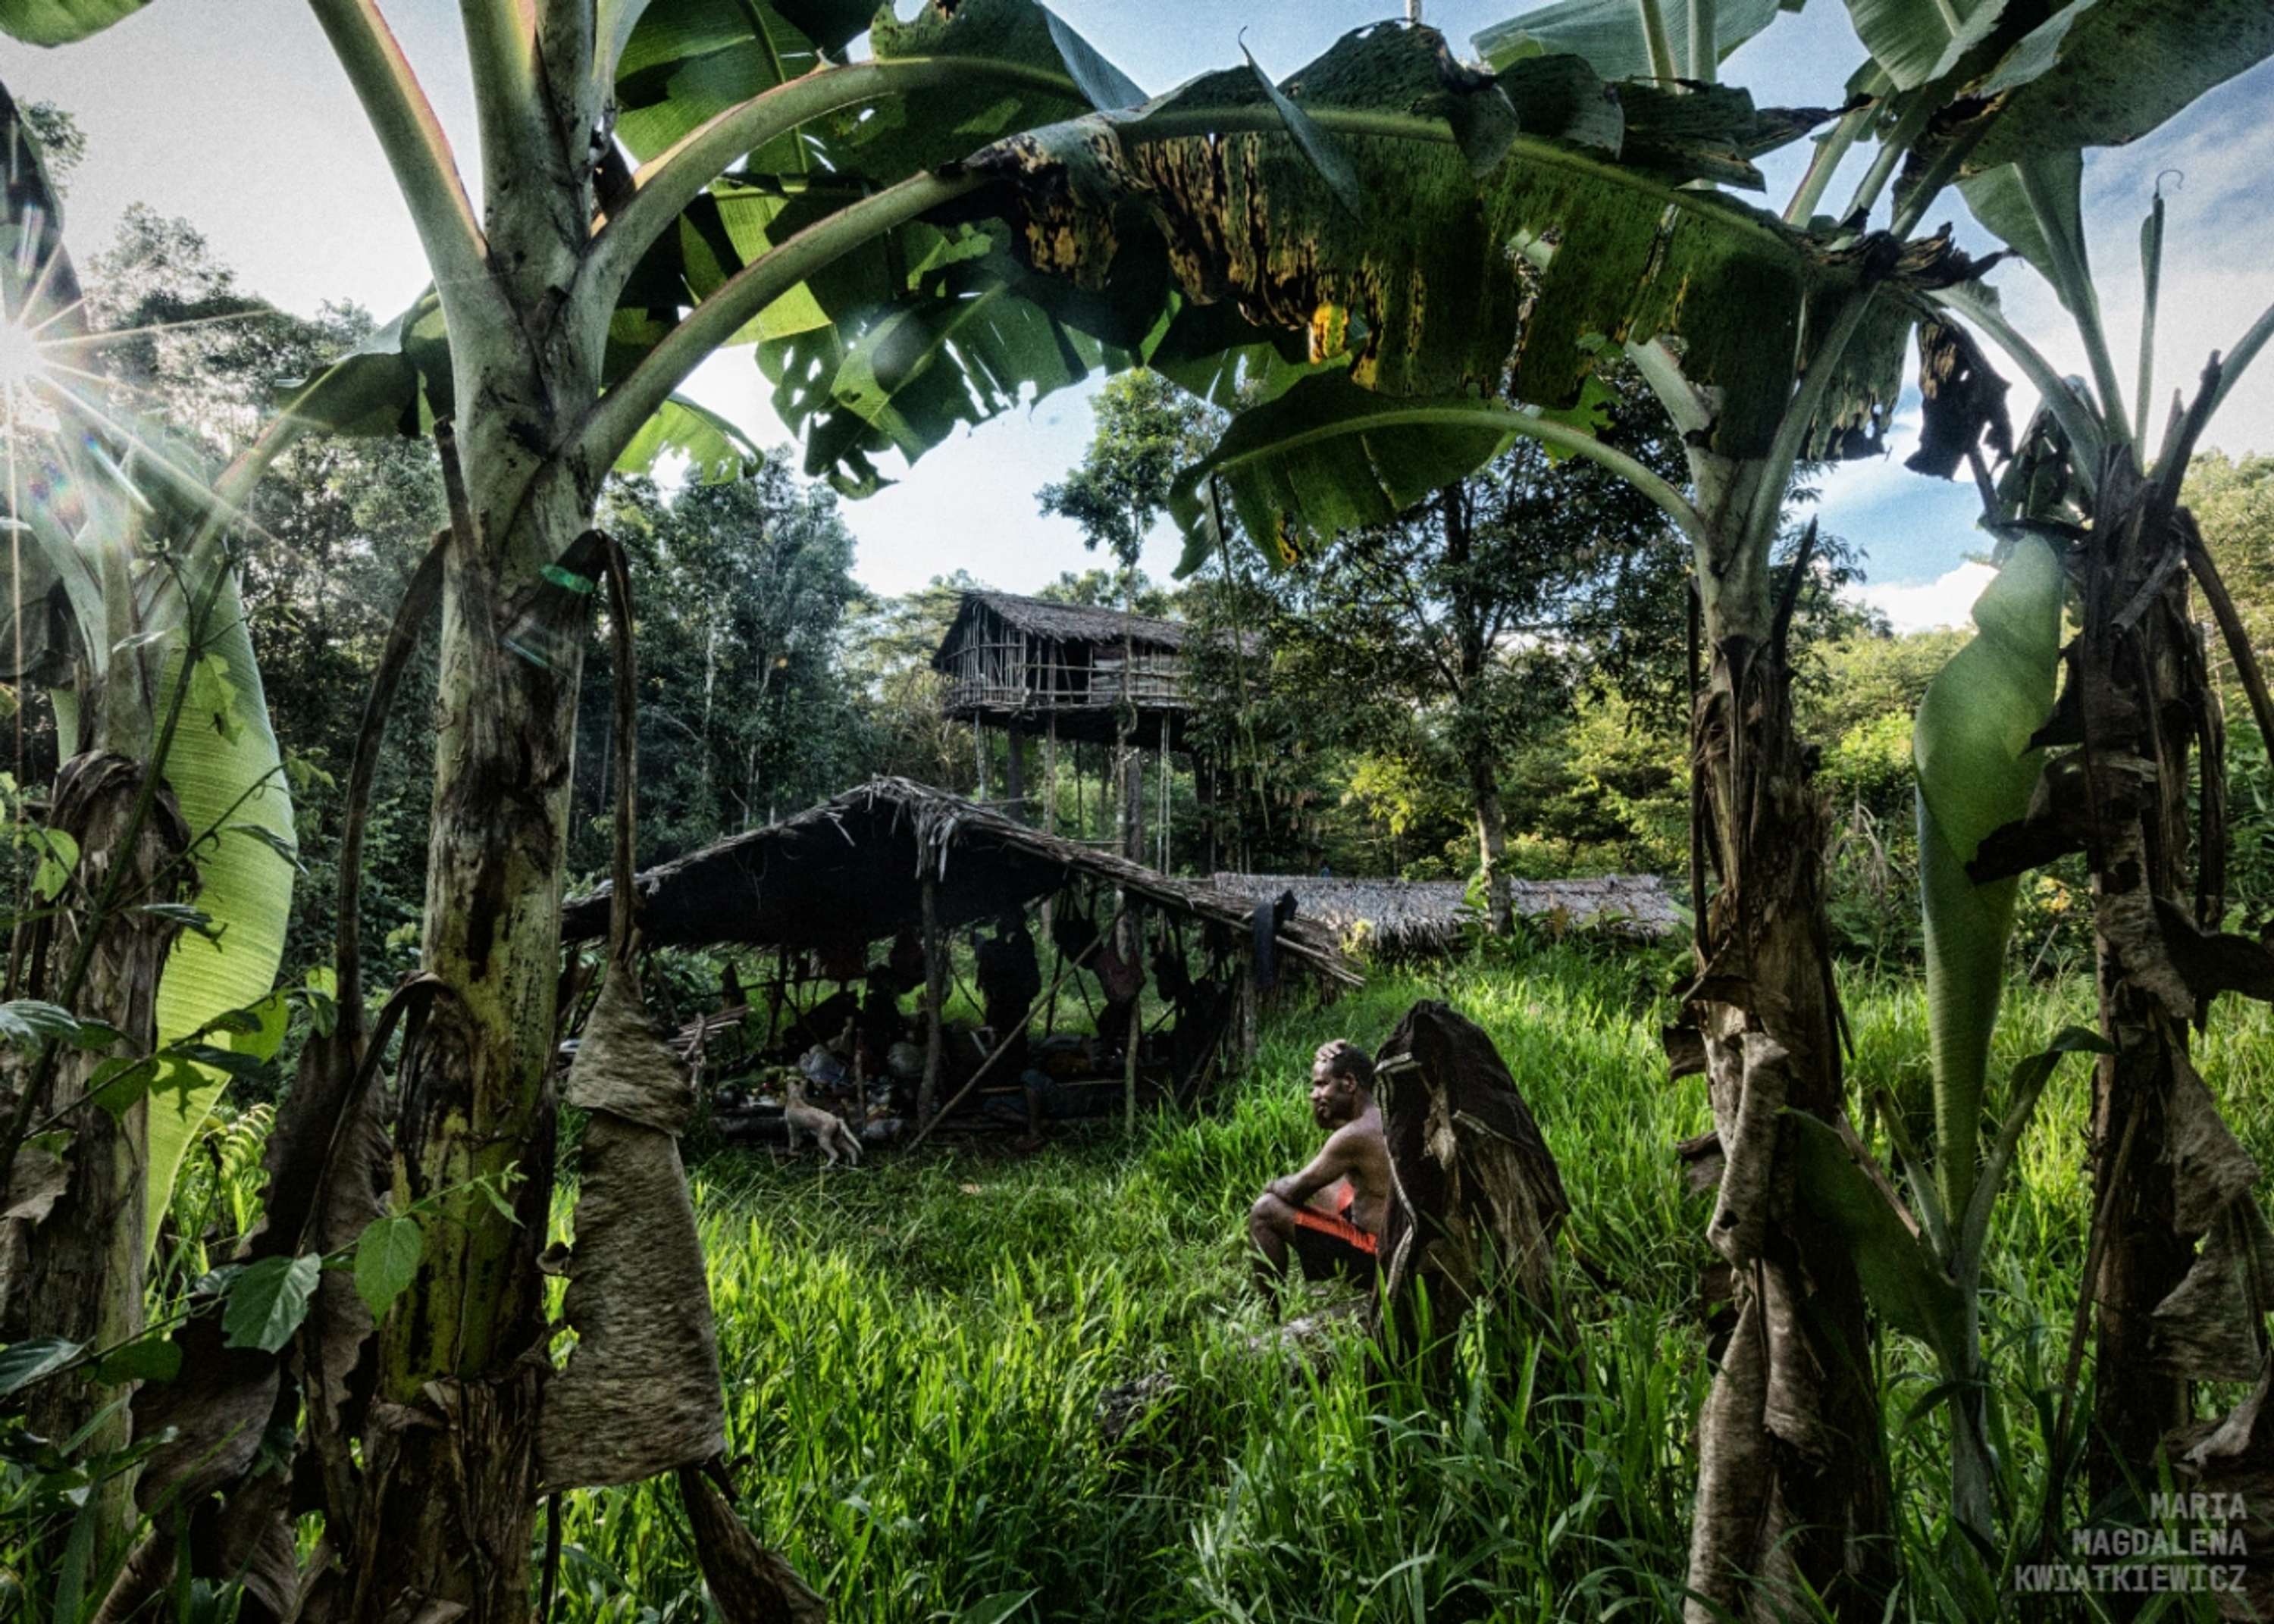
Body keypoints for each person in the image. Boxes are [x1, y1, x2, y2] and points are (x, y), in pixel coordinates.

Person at [1248, 1039, 1391, 1290]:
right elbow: (1331, 1122)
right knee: (1328, 1187)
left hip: (1378, 1257)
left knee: (1265, 1211)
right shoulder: (1379, 1115)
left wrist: (1272, 1185)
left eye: (1322, 1085)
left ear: (1349, 1083)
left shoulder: (1353, 1136)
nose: (1314, 1095)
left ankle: (1272, 1316)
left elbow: (1294, 1191)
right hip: (1394, 1236)